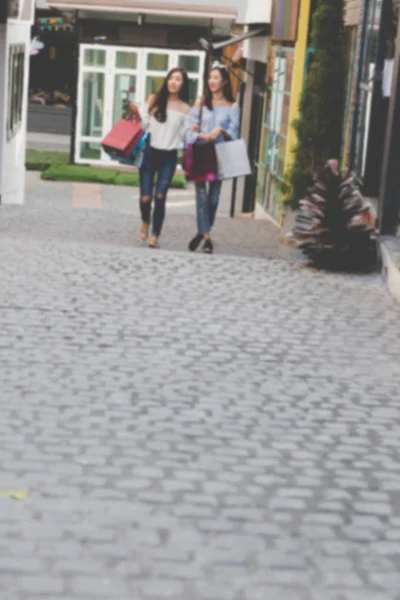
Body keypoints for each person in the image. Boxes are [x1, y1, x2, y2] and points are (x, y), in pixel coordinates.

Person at [129, 68, 190, 248]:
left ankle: (155, 234)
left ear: (183, 84)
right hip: (150, 153)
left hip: (169, 157)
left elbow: (185, 135)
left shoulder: (185, 108)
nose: (173, 82)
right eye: (171, 78)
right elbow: (144, 125)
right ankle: (145, 221)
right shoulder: (154, 99)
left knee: (161, 196)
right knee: (145, 198)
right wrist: (138, 113)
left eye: (178, 79)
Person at [186, 62, 240, 254]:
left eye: (216, 78)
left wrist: (220, 131)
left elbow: (234, 135)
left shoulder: (233, 106)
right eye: (210, 77)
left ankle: (201, 233)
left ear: (225, 82)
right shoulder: (201, 103)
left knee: (214, 199)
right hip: (201, 152)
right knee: (200, 196)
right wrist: (197, 134)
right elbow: (190, 128)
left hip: (220, 156)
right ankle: (207, 238)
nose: (212, 81)